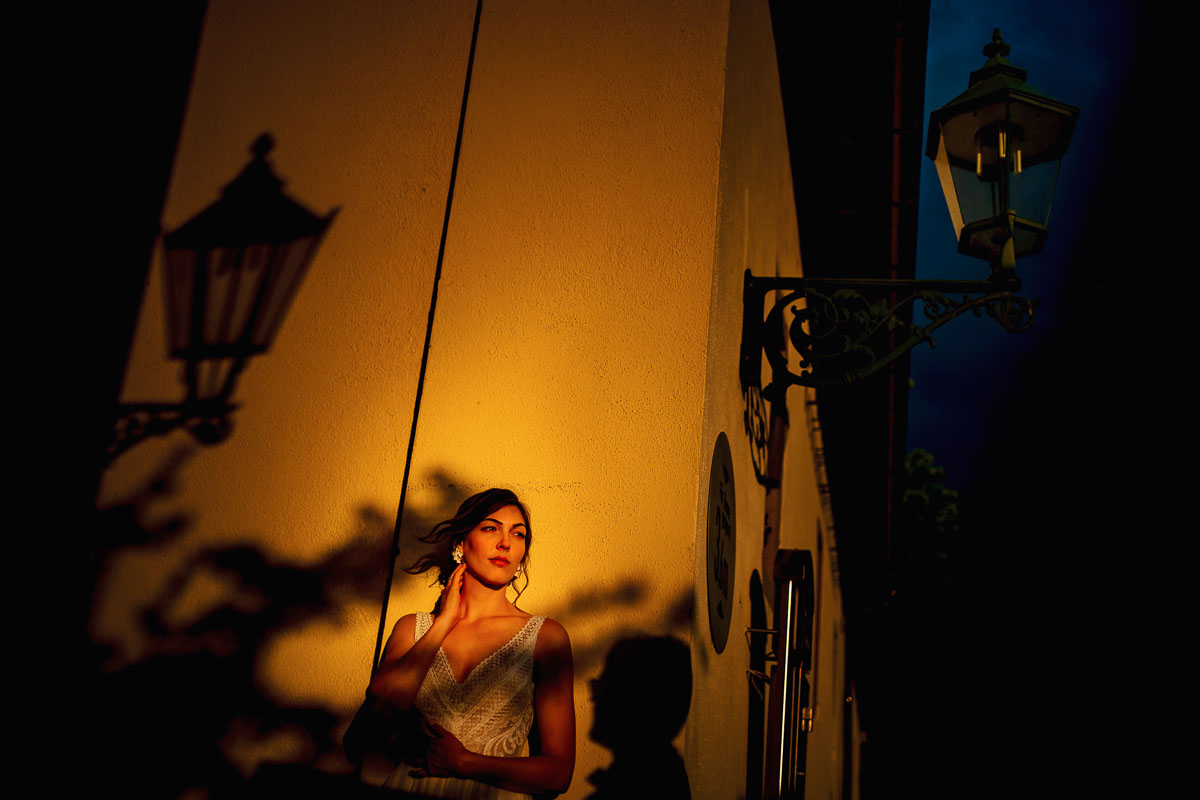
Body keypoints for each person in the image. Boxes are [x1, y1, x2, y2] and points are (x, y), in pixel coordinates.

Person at [345, 489, 575, 798]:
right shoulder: (413, 628)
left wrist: (464, 762)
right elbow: (372, 722)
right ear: (460, 545)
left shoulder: (546, 638)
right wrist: (443, 622)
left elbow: (558, 775)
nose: (505, 542)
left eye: (517, 534)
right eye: (490, 528)